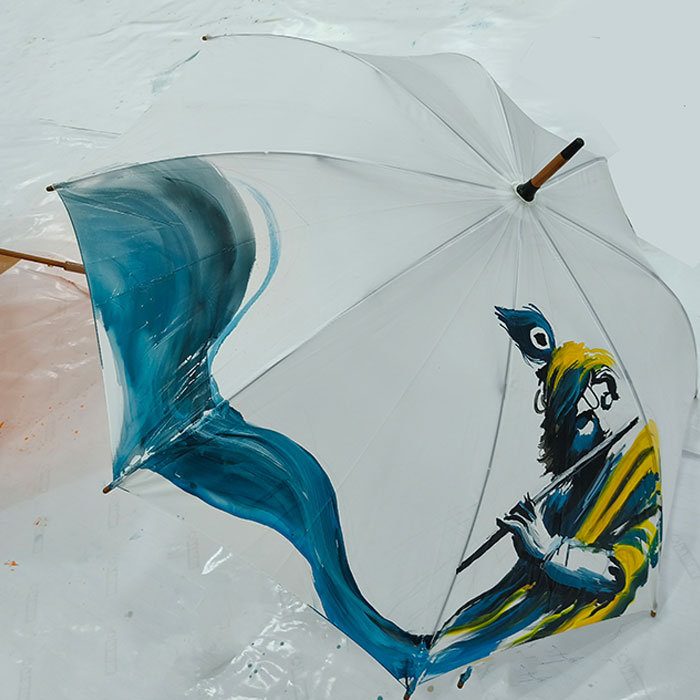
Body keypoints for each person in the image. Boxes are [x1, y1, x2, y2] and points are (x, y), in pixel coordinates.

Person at [424, 305, 661, 683]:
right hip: (521, 624)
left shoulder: (634, 472)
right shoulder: (564, 488)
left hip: (572, 648)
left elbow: (618, 573)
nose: (585, 429)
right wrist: (528, 541)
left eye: (589, 417)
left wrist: (547, 549)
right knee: (451, 641)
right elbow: (525, 581)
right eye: (571, 423)